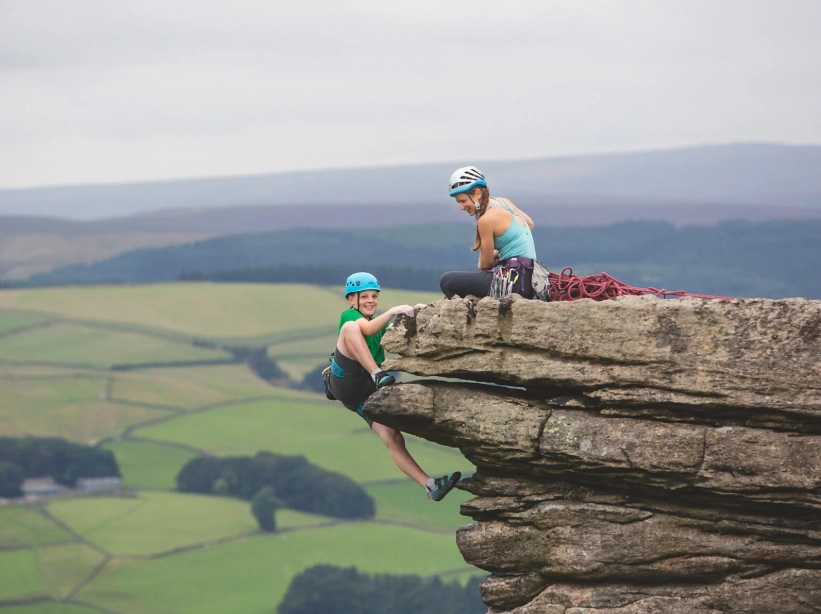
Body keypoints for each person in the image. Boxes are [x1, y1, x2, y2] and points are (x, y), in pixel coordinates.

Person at [324, 272, 461, 501]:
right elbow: (367, 329)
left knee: (393, 437)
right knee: (351, 329)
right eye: (364, 296)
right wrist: (391, 311)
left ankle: (430, 486)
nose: (371, 301)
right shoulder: (349, 316)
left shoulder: (377, 324)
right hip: (345, 380)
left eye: (374, 296)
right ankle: (376, 373)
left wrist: (419, 311)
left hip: (362, 392)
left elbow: (392, 328)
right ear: (351, 300)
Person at [440, 166, 538, 299]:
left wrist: (484, 261)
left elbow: (486, 265)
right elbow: (529, 224)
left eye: (463, 201)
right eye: (458, 202)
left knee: (446, 281)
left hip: (513, 283)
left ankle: (468, 310)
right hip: (528, 281)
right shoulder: (503, 202)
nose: (461, 207)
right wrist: (501, 251)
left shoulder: (486, 220)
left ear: (478, 193)